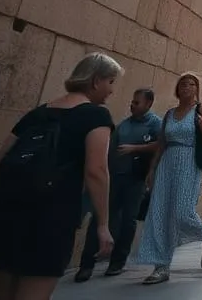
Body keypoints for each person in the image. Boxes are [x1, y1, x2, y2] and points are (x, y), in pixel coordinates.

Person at [0, 53, 121, 300]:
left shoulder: (37, 114)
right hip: (50, 219)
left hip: (8, 216)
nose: (112, 91)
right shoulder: (96, 116)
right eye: (111, 82)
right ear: (96, 81)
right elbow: (96, 171)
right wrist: (103, 225)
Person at [136, 72, 202, 284]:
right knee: (160, 213)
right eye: (183, 84)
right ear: (177, 89)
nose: (187, 87)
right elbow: (162, 142)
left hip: (189, 161)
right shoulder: (170, 113)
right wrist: (152, 169)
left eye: (192, 84)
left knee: (182, 211)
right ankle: (161, 267)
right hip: (167, 163)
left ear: (197, 89)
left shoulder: (201, 110)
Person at [76, 87, 162, 281]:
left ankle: (117, 262)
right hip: (115, 177)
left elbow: (162, 144)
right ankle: (86, 263)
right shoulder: (124, 125)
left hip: (136, 178)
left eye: (137, 102)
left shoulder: (156, 124)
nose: (132, 105)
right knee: (101, 218)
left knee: (128, 221)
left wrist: (135, 149)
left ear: (148, 104)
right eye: (132, 101)